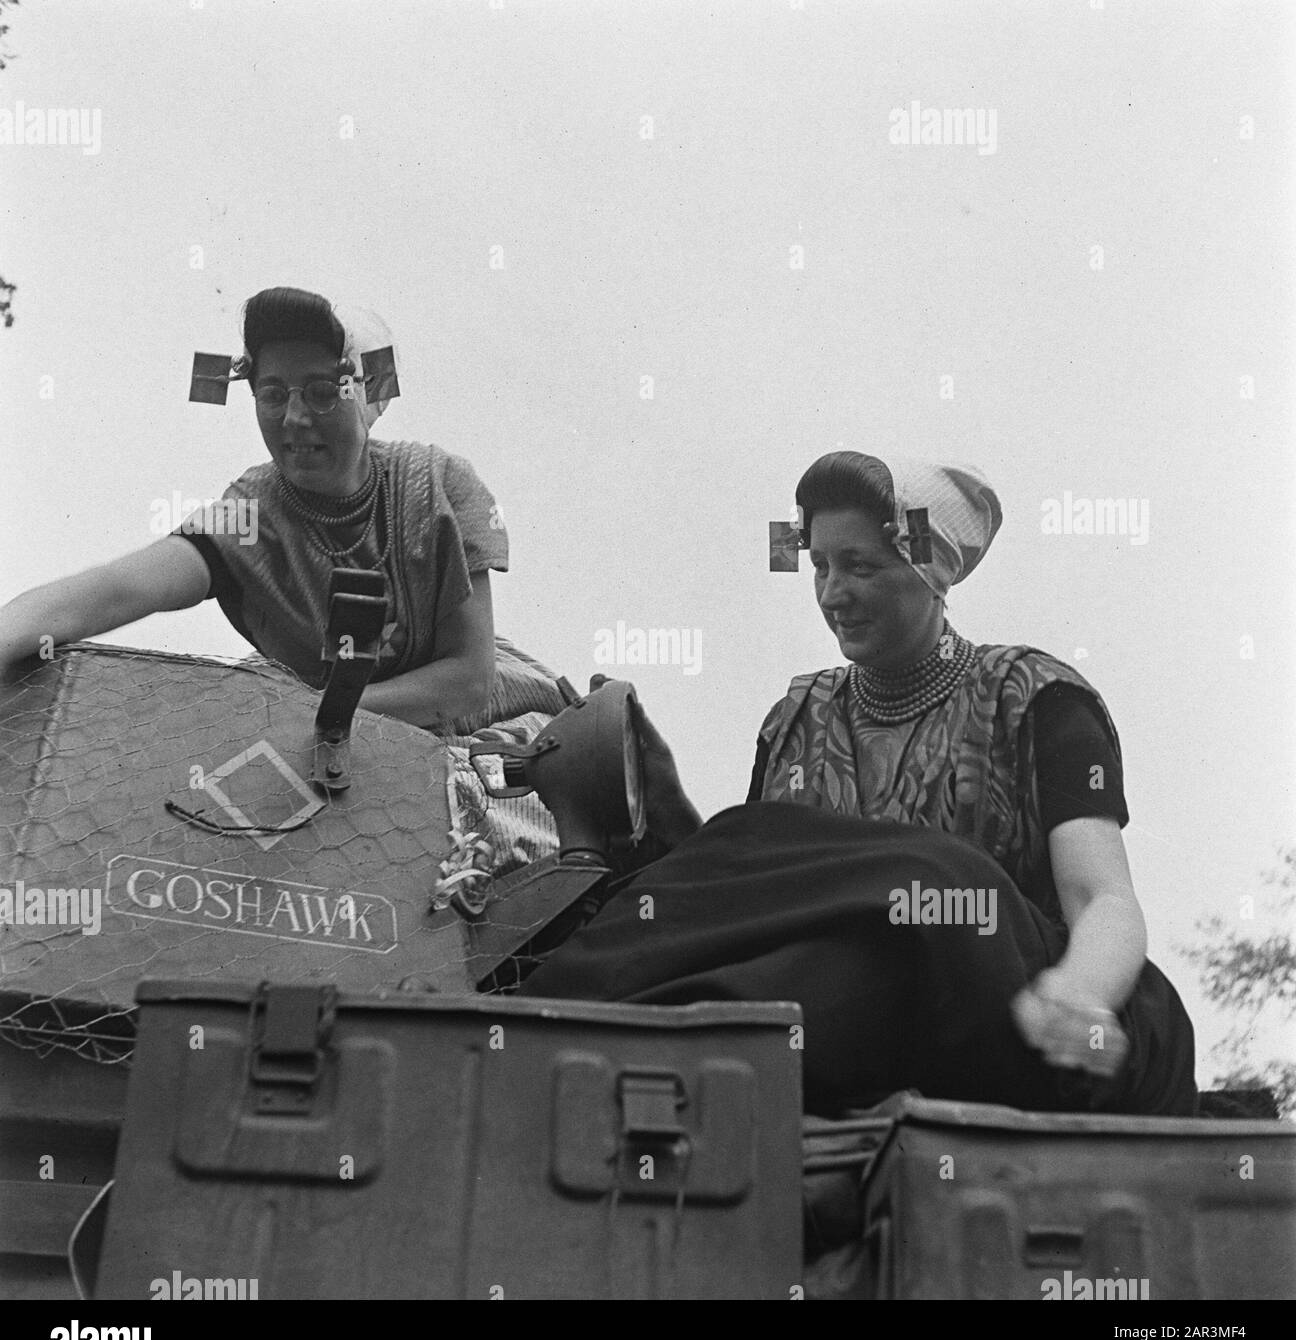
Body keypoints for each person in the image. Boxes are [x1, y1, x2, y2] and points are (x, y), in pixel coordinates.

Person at [520, 451, 1197, 1117]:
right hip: (863, 1000)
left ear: (930, 571)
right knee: (760, 921)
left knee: (937, 883)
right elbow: (767, 906)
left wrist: (1077, 997)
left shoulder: (1034, 697)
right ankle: (538, 1031)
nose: (832, 594)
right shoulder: (795, 720)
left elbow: (1102, 896)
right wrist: (662, 816)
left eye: (861, 567)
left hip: (1001, 990)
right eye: (819, 566)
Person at [0, 286, 566, 872]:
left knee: (494, 828)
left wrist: (319, 719)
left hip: (466, 728)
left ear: (369, 394)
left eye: (322, 392)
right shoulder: (250, 517)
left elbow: (467, 680)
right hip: (311, 740)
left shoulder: (436, 487)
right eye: (273, 394)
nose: (295, 419)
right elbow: (120, 588)